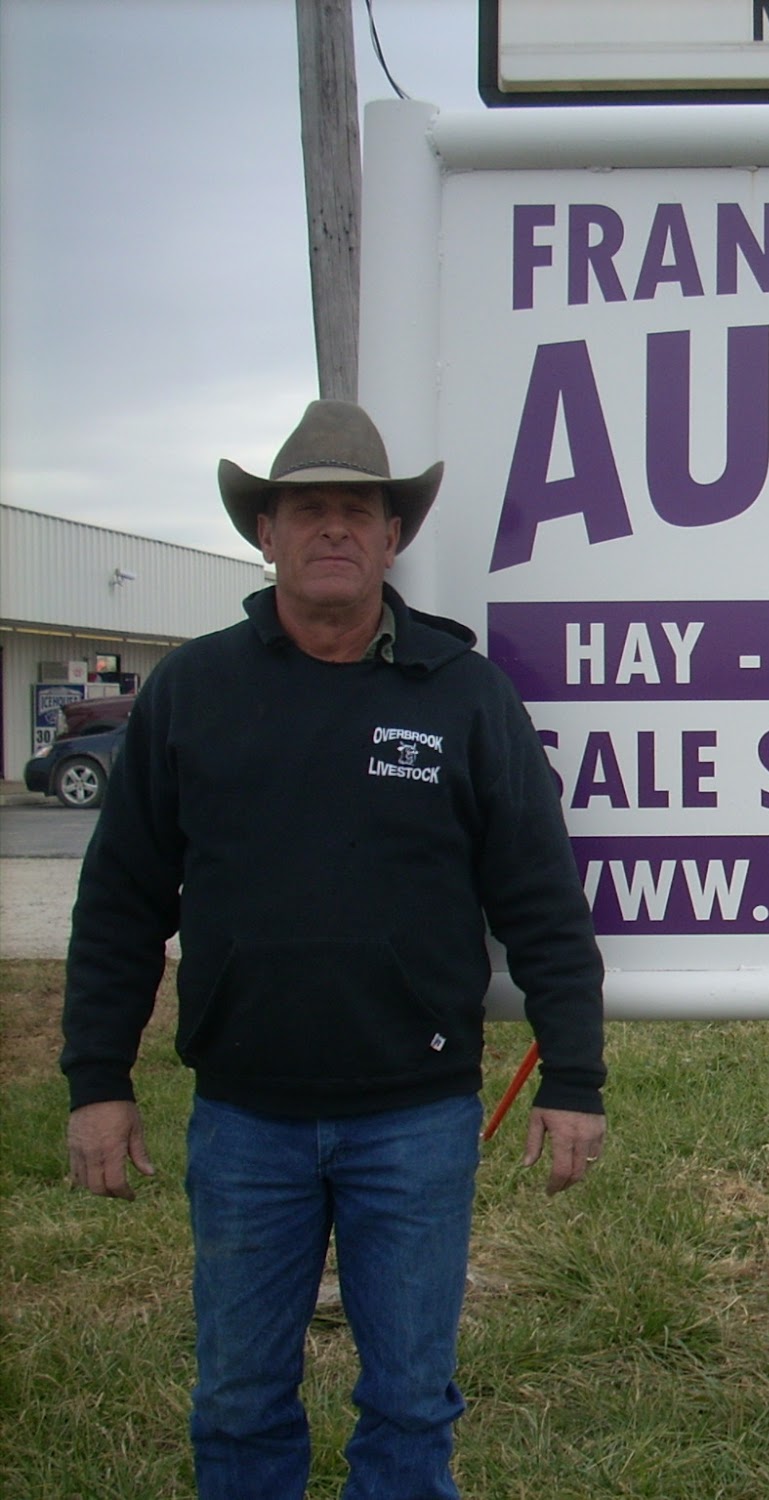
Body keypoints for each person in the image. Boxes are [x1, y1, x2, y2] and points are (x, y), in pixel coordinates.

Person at [61, 399, 607, 1499]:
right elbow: (120, 905)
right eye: (307, 509)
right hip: (243, 1121)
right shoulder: (192, 692)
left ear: (392, 536)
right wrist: (97, 1082)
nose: (333, 529)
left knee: (409, 1406)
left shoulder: (464, 695)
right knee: (237, 1402)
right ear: (264, 533)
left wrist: (575, 1078)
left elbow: (542, 902)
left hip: (416, 1118)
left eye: (358, 511)